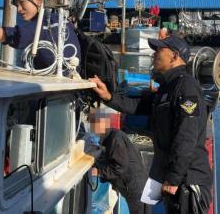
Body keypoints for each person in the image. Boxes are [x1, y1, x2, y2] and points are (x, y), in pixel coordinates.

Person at [89, 34, 212, 214]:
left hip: (187, 182)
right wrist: (108, 96)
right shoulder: (167, 88)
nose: (154, 55)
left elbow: (186, 135)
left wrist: (174, 178)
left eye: (159, 50)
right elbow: (137, 106)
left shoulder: (186, 87)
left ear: (175, 56)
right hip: (171, 180)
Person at [89, 114, 149, 214]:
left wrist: (99, 172)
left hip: (135, 187)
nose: (94, 130)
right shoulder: (111, 137)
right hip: (134, 184)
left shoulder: (115, 139)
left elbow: (120, 167)